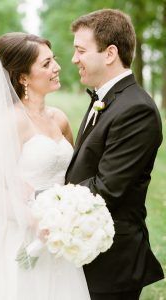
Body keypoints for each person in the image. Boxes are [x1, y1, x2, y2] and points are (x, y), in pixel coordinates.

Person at [0, 32, 91, 300]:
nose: (56, 67)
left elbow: (73, 177)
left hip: (61, 238)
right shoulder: (10, 123)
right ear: (22, 77)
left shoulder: (60, 119)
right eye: (45, 64)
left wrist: (72, 213)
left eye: (53, 60)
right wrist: (37, 219)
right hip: (22, 237)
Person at [65, 9, 164, 300]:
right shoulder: (106, 97)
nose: (74, 59)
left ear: (109, 53)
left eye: (80, 50)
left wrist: (48, 199)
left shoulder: (137, 109)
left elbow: (107, 188)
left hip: (112, 263)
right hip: (88, 253)